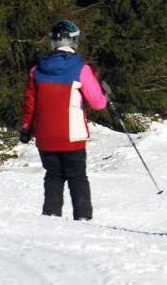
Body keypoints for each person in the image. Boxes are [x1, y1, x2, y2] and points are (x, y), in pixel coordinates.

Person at [20, 20, 107, 220]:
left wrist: (26, 128)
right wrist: (104, 94)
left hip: (45, 135)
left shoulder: (37, 70)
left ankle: (51, 217)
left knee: (53, 176)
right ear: (74, 40)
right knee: (77, 177)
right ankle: (83, 218)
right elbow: (98, 103)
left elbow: (29, 104)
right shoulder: (81, 68)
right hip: (72, 135)